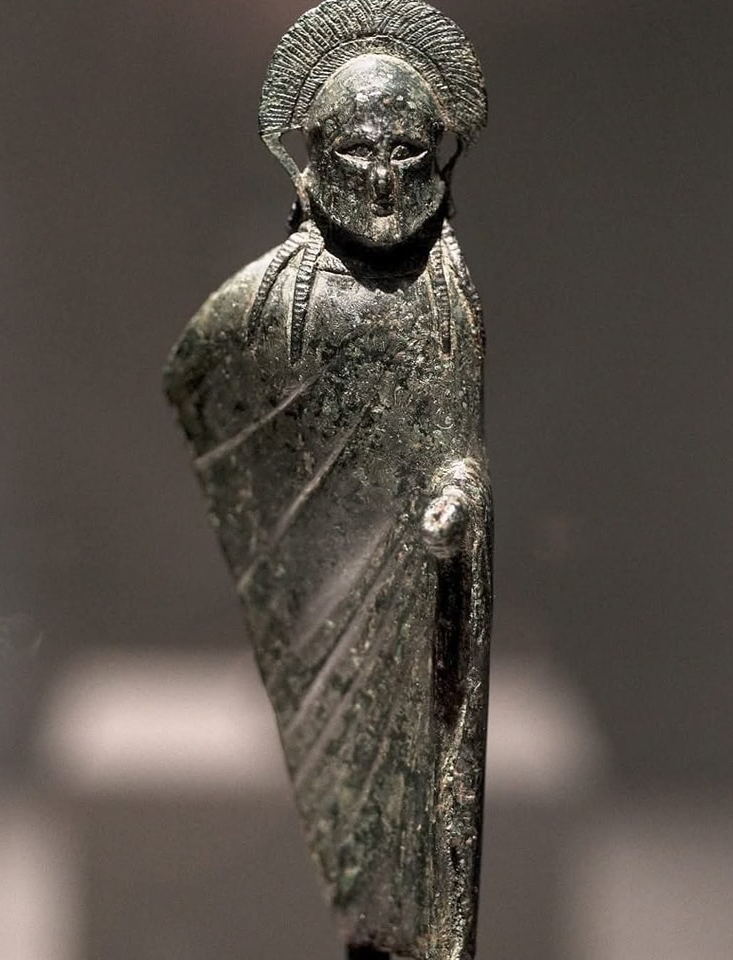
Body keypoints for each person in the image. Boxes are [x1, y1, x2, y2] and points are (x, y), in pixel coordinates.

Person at [165, 3, 490, 957]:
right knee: (349, 821)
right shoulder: (272, 302)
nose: (384, 179)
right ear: (310, 160)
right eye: (357, 152)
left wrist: (459, 498)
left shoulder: (448, 290)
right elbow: (198, 383)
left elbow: (459, 443)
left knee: (425, 823)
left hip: (420, 600)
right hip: (322, 598)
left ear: (441, 157)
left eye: (407, 151)